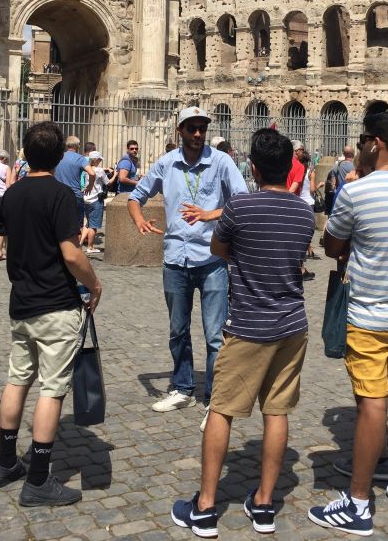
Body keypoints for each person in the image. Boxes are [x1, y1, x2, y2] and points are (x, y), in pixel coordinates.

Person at [171, 129, 314, 537]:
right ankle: (265, 504)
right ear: (290, 168)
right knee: (277, 411)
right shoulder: (304, 213)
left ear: (251, 166)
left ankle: (204, 507)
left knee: (222, 409)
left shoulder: (240, 207)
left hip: (248, 324)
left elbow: (218, 250)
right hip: (292, 325)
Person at [308, 111, 388, 536]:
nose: (362, 144)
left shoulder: (357, 191)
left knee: (372, 403)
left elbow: (331, 246)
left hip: (370, 314)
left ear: (377, 143)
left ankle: (358, 503)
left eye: (365, 138)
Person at [0, 122, 102, 507]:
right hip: (55, 303)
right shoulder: (60, 196)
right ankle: (38, 479)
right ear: (60, 157)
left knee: (17, 380)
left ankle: (5, 462)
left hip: (21, 302)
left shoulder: (12, 193)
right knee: (52, 390)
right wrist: (95, 283)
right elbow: (70, 254)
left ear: (25, 152)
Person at [127, 107, 247, 431]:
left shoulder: (221, 162)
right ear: (179, 130)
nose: (197, 134)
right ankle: (182, 387)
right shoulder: (166, 164)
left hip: (211, 261)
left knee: (214, 335)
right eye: (191, 128)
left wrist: (211, 214)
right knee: (177, 330)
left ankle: (215, 399)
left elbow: (242, 201)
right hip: (175, 260)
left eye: (202, 128)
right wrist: (139, 220)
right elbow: (135, 196)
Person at [54, 136, 95, 223]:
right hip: (74, 194)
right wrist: (90, 186)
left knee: (59, 223)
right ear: (78, 145)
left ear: (66, 145)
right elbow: (92, 173)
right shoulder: (80, 158)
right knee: (76, 225)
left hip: (58, 194)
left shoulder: (58, 157)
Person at [81, 150, 115, 253]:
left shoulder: (85, 169)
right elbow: (108, 183)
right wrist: (116, 174)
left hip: (86, 198)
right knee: (94, 225)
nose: (100, 161)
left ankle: (81, 242)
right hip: (96, 199)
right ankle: (90, 247)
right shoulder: (99, 171)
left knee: (88, 223)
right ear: (96, 160)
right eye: (99, 159)